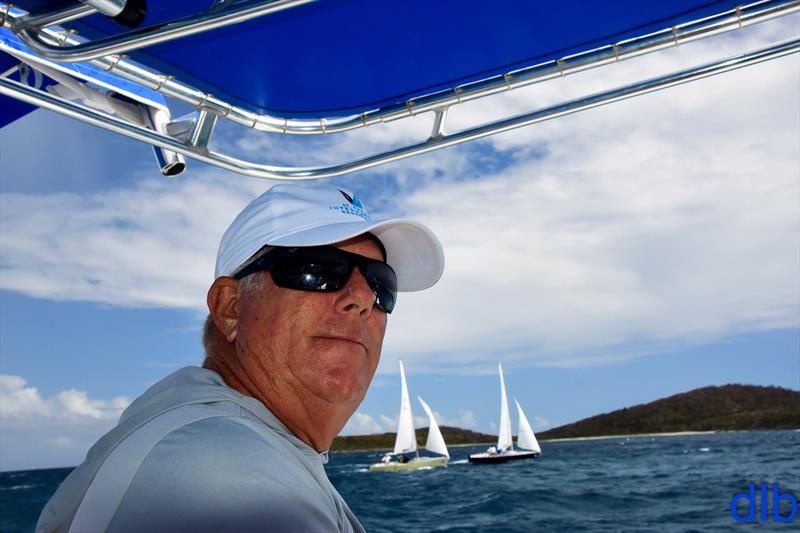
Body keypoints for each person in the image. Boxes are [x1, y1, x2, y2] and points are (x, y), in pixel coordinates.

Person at [36, 182, 444, 533]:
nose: (360, 298)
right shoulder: (228, 482)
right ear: (230, 306)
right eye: (318, 268)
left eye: (380, 284)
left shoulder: (223, 437)